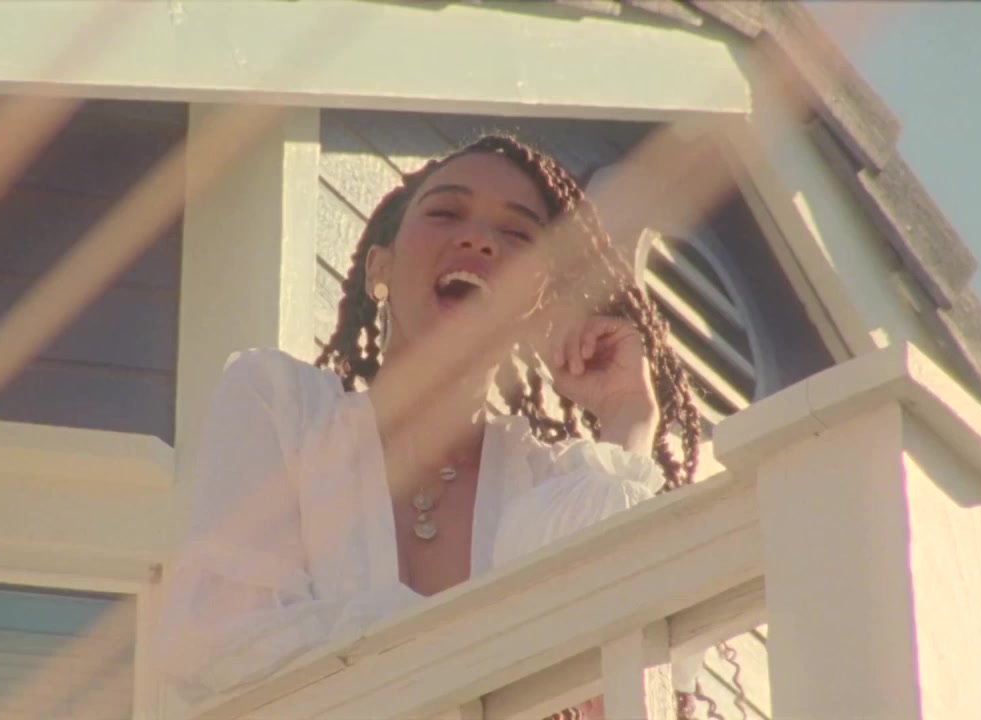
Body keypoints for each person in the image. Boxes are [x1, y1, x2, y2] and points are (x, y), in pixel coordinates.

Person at [154, 134, 712, 719]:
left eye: (517, 234)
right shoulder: (283, 409)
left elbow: (620, 672)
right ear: (380, 266)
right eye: (445, 212)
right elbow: (218, 643)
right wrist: (475, 645)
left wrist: (626, 417)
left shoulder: (549, 485)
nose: (479, 239)